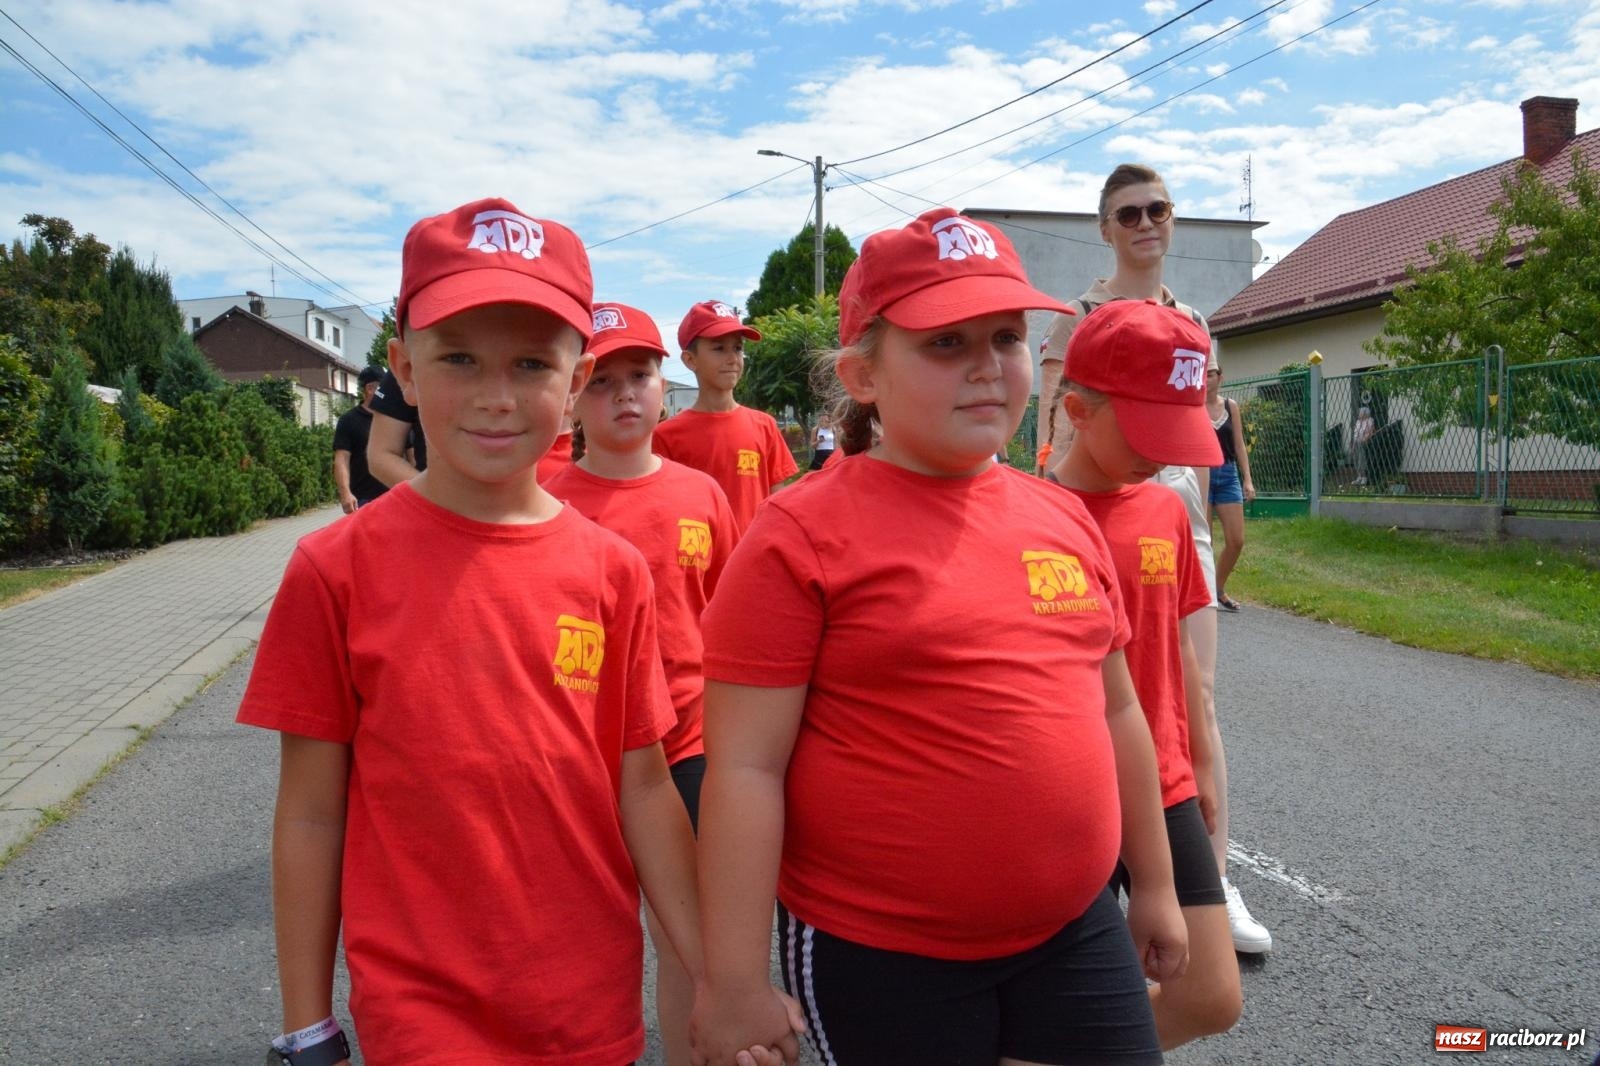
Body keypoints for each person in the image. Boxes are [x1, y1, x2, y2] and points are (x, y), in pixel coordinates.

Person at [692, 207, 1186, 1066]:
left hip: (1074, 931)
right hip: (884, 952)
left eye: (1003, 337)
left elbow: (1118, 717)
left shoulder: (1062, 516)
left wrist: (1154, 884)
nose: (987, 369)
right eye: (944, 345)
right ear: (863, 375)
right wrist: (731, 982)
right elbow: (743, 768)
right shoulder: (798, 534)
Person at [236, 197, 719, 1065]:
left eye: (531, 362)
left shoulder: (613, 573)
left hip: (586, 1002)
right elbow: (310, 813)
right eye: (459, 357)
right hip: (421, 1010)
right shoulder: (334, 568)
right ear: (405, 371)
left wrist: (718, 983)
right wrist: (305, 1023)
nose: (497, 398)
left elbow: (644, 789)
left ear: (574, 382)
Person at [1036, 162, 1272, 954]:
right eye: (1128, 212)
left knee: (1192, 694)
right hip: (1093, 509)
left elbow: (1204, 427)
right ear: (1106, 227)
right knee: (1101, 689)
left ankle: (1211, 873)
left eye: (1158, 210)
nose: (1145, 224)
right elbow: (1051, 421)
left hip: (1175, 515)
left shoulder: (1196, 321)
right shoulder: (1080, 319)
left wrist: (1208, 510)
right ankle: (1091, 864)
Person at [545, 301, 740, 1066]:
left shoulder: (702, 496)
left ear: (667, 386)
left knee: (684, 938)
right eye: (604, 381)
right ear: (574, 394)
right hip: (582, 755)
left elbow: (728, 621)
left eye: (643, 375)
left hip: (687, 744)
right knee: (581, 933)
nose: (626, 395)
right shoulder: (549, 501)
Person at [1053, 300, 1244, 1049]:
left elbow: (1182, 659)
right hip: (1076, 794)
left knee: (1210, 996)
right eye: (1148, 432)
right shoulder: (1032, 511)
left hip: (1165, 784)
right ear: (1077, 410)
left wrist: (1202, 770)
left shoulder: (1166, 508)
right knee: (1090, 992)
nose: (1164, 455)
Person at [653, 300, 798, 533]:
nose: (732, 359)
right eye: (719, 348)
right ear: (690, 360)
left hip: (753, 561)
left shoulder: (764, 426)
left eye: (738, 348)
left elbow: (777, 498)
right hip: (700, 563)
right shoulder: (666, 436)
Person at [1205, 364, 1254, 611]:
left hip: (1227, 474)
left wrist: (1247, 479)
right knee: (1205, 541)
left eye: (1211, 374)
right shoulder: (1192, 407)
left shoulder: (1230, 407)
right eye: (1202, 374)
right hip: (1201, 473)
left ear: (1220, 378)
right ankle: (1204, 595)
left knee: (1236, 540)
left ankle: (1218, 587)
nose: (1206, 379)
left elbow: (1239, 444)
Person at [331, 365, 389, 513]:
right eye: (385, 386)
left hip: (394, 498)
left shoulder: (394, 419)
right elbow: (341, 459)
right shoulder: (349, 420)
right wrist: (345, 494)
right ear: (370, 389)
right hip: (364, 501)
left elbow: (410, 455)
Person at [1353, 405, 1375, 486]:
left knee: (1361, 460)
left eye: (1360, 412)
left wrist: (1365, 439)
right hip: (1356, 441)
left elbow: (1371, 432)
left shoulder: (1370, 420)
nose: (1359, 414)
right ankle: (1359, 477)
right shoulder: (1358, 421)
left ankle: (1364, 477)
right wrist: (1353, 443)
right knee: (1355, 459)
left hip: (1364, 442)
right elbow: (1355, 433)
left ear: (1365, 413)